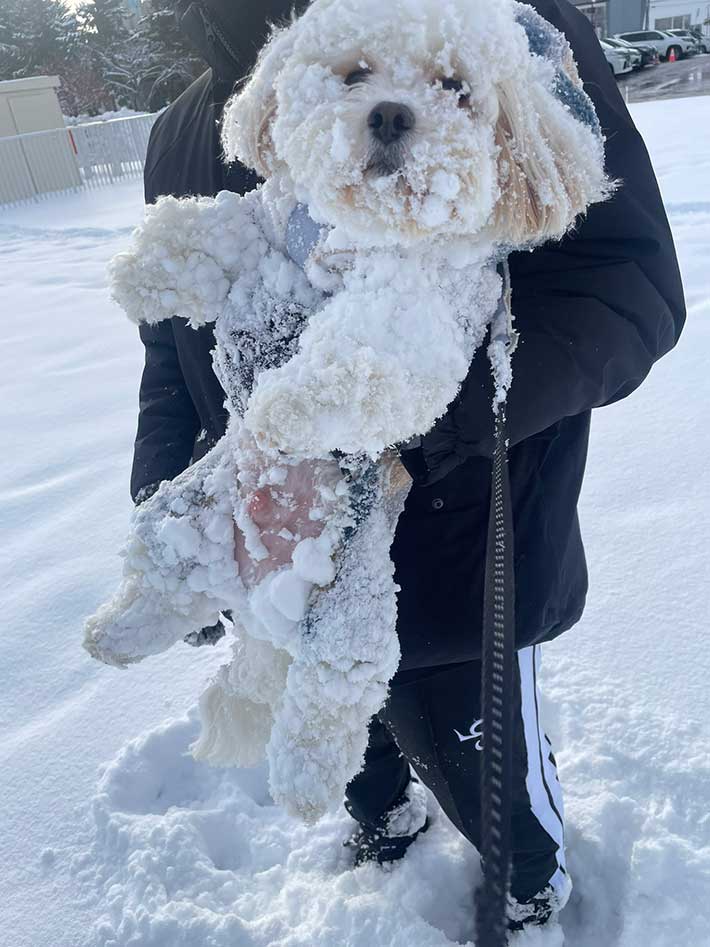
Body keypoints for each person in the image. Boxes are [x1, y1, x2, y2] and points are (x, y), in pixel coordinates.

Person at [132, 0, 685, 931]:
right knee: (358, 753)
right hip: (278, 549)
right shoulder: (183, 128)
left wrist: (427, 411)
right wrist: (165, 487)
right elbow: (168, 345)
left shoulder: (499, 26)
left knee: (494, 798)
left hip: (460, 566)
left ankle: (529, 892)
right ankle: (383, 825)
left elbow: (628, 285)